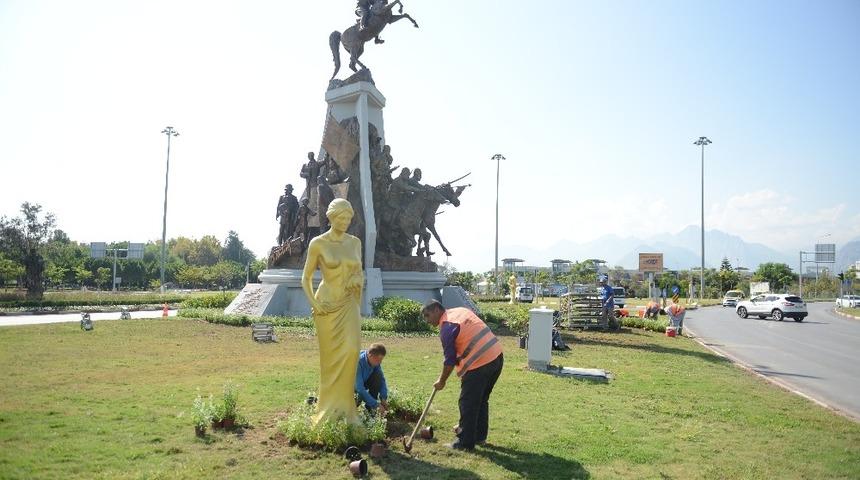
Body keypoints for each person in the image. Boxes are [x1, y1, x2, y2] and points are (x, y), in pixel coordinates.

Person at [302, 199, 364, 425]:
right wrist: (314, 303)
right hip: (326, 306)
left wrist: (358, 279)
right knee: (328, 361)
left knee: (352, 350)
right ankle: (328, 410)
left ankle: (347, 410)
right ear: (331, 218)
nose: (345, 222)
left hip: (348, 302)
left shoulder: (355, 243)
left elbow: (359, 272)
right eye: (341, 218)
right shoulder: (318, 243)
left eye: (348, 218)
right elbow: (306, 277)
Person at [422, 300, 504, 450]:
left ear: (436, 310)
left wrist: (442, 381)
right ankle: (479, 437)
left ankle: (465, 443)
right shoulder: (460, 311)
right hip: (496, 357)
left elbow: (449, 360)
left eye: (427, 315)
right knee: (481, 400)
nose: (426, 321)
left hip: (480, 364)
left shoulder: (447, 326)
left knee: (467, 403)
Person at [355, 343, 389, 414]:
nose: (380, 362)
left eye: (381, 359)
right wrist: (376, 405)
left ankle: (370, 409)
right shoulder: (357, 362)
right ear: (370, 355)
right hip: (348, 388)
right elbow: (360, 388)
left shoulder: (374, 362)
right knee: (353, 405)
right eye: (379, 360)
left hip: (361, 383)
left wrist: (383, 397)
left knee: (377, 375)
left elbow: (381, 379)